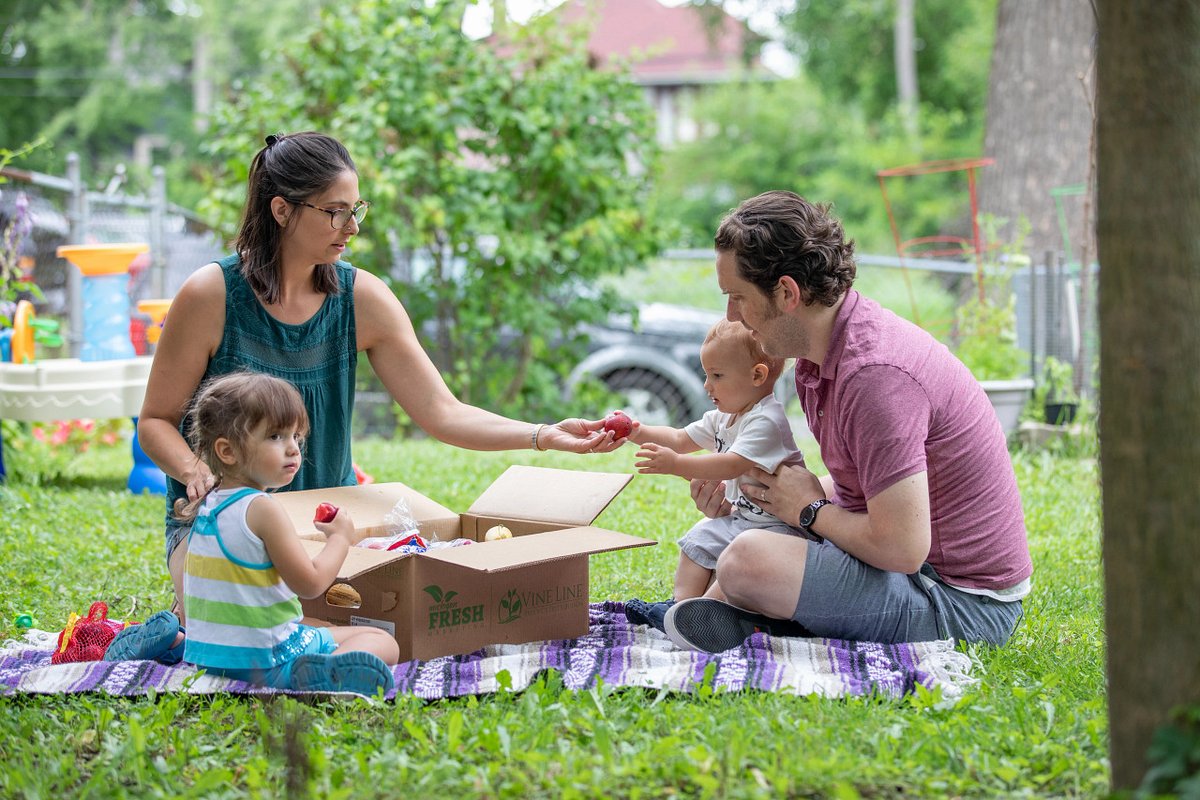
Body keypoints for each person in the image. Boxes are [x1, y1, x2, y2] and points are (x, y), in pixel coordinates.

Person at [109, 131, 621, 663]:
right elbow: (155, 421)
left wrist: (543, 434)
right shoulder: (210, 294)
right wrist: (196, 471)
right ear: (282, 210)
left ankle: (187, 641)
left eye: (356, 210)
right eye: (335, 212)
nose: (351, 228)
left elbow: (443, 412)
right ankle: (195, 634)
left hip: (321, 527)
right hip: (224, 522)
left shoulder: (361, 298)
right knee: (277, 622)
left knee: (322, 625)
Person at [662, 190, 1033, 653]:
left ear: (787, 292)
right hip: (915, 572)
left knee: (746, 562)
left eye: (737, 297)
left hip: (959, 601)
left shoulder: (874, 377)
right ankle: (740, 614)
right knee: (747, 536)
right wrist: (758, 498)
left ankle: (749, 614)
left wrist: (808, 511)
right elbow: (868, 495)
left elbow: (901, 547)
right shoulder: (819, 359)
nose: (730, 315)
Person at [110, 372, 398, 695]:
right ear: (227, 451)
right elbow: (311, 583)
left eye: (295, 437)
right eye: (275, 437)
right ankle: (317, 676)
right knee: (383, 641)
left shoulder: (208, 504)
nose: (292, 450)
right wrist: (340, 539)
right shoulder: (262, 509)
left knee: (316, 630)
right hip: (268, 663)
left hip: (207, 656)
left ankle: (172, 642)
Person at [622, 319, 805, 630]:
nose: (707, 385)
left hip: (777, 531)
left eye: (717, 376)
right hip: (742, 520)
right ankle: (679, 608)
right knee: (699, 539)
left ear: (757, 375)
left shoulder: (766, 421)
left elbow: (732, 464)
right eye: (707, 375)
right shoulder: (724, 416)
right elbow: (680, 438)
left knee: (734, 569)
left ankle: (703, 616)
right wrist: (636, 431)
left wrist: (676, 465)